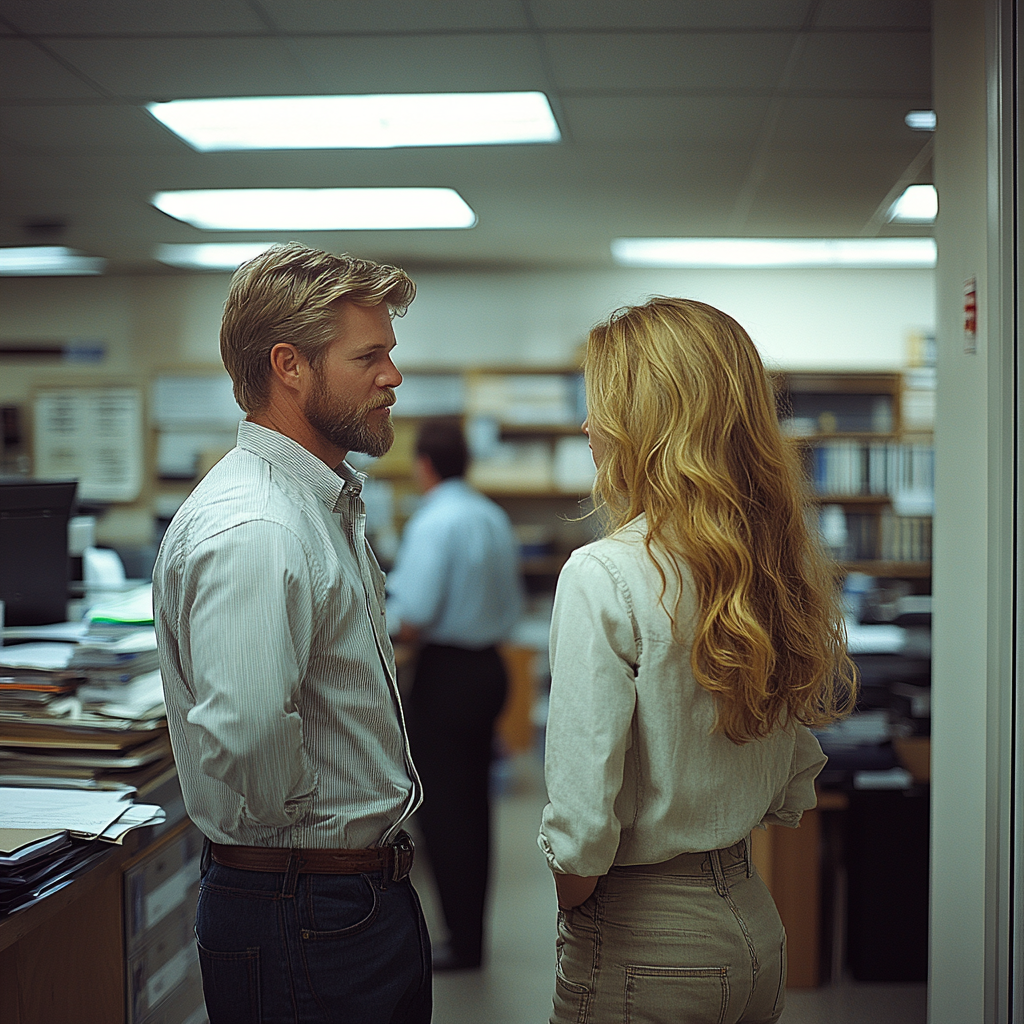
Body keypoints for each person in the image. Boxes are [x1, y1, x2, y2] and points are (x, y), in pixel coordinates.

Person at [538, 297, 856, 1024]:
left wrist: (582, 909)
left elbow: (583, 829)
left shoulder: (605, 574)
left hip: (642, 930)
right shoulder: (769, 564)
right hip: (751, 922)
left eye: (603, 405)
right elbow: (794, 771)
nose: (588, 426)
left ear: (649, 421)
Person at [152, 242, 431, 1024]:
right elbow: (244, 734)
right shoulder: (259, 526)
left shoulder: (317, 504)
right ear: (290, 365)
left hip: (339, 895)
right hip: (303, 899)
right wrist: (311, 834)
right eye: (369, 356)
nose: (393, 376)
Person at [386, 417, 523, 971]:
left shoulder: (435, 520)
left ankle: (459, 944)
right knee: (473, 808)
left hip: (448, 676)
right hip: (490, 668)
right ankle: (471, 936)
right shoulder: (490, 514)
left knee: (445, 813)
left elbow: (413, 615)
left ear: (424, 465)